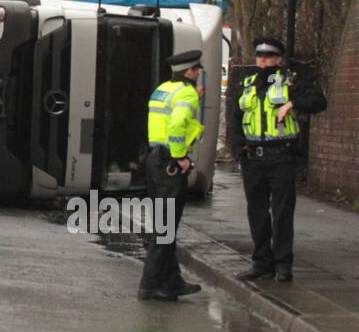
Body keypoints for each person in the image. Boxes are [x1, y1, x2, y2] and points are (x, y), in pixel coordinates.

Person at [229, 36, 327, 282]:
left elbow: (318, 101)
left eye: (269, 56)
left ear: (279, 59)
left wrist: (292, 103)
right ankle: (262, 263)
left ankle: (283, 265)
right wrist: (238, 149)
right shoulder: (247, 83)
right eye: (260, 56)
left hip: (280, 156)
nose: (263, 61)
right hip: (253, 157)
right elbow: (235, 119)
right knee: (257, 213)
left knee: (282, 212)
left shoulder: (290, 81)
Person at [138, 49, 207, 302]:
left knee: (162, 223)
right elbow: (177, 125)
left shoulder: (163, 89)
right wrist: (180, 156)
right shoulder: (187, 93)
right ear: (191, 71)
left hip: (153, 159)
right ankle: (151, 283)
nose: (198, 74)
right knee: (165, 227)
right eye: (197, 70)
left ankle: (171, 281)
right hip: (169, 162)